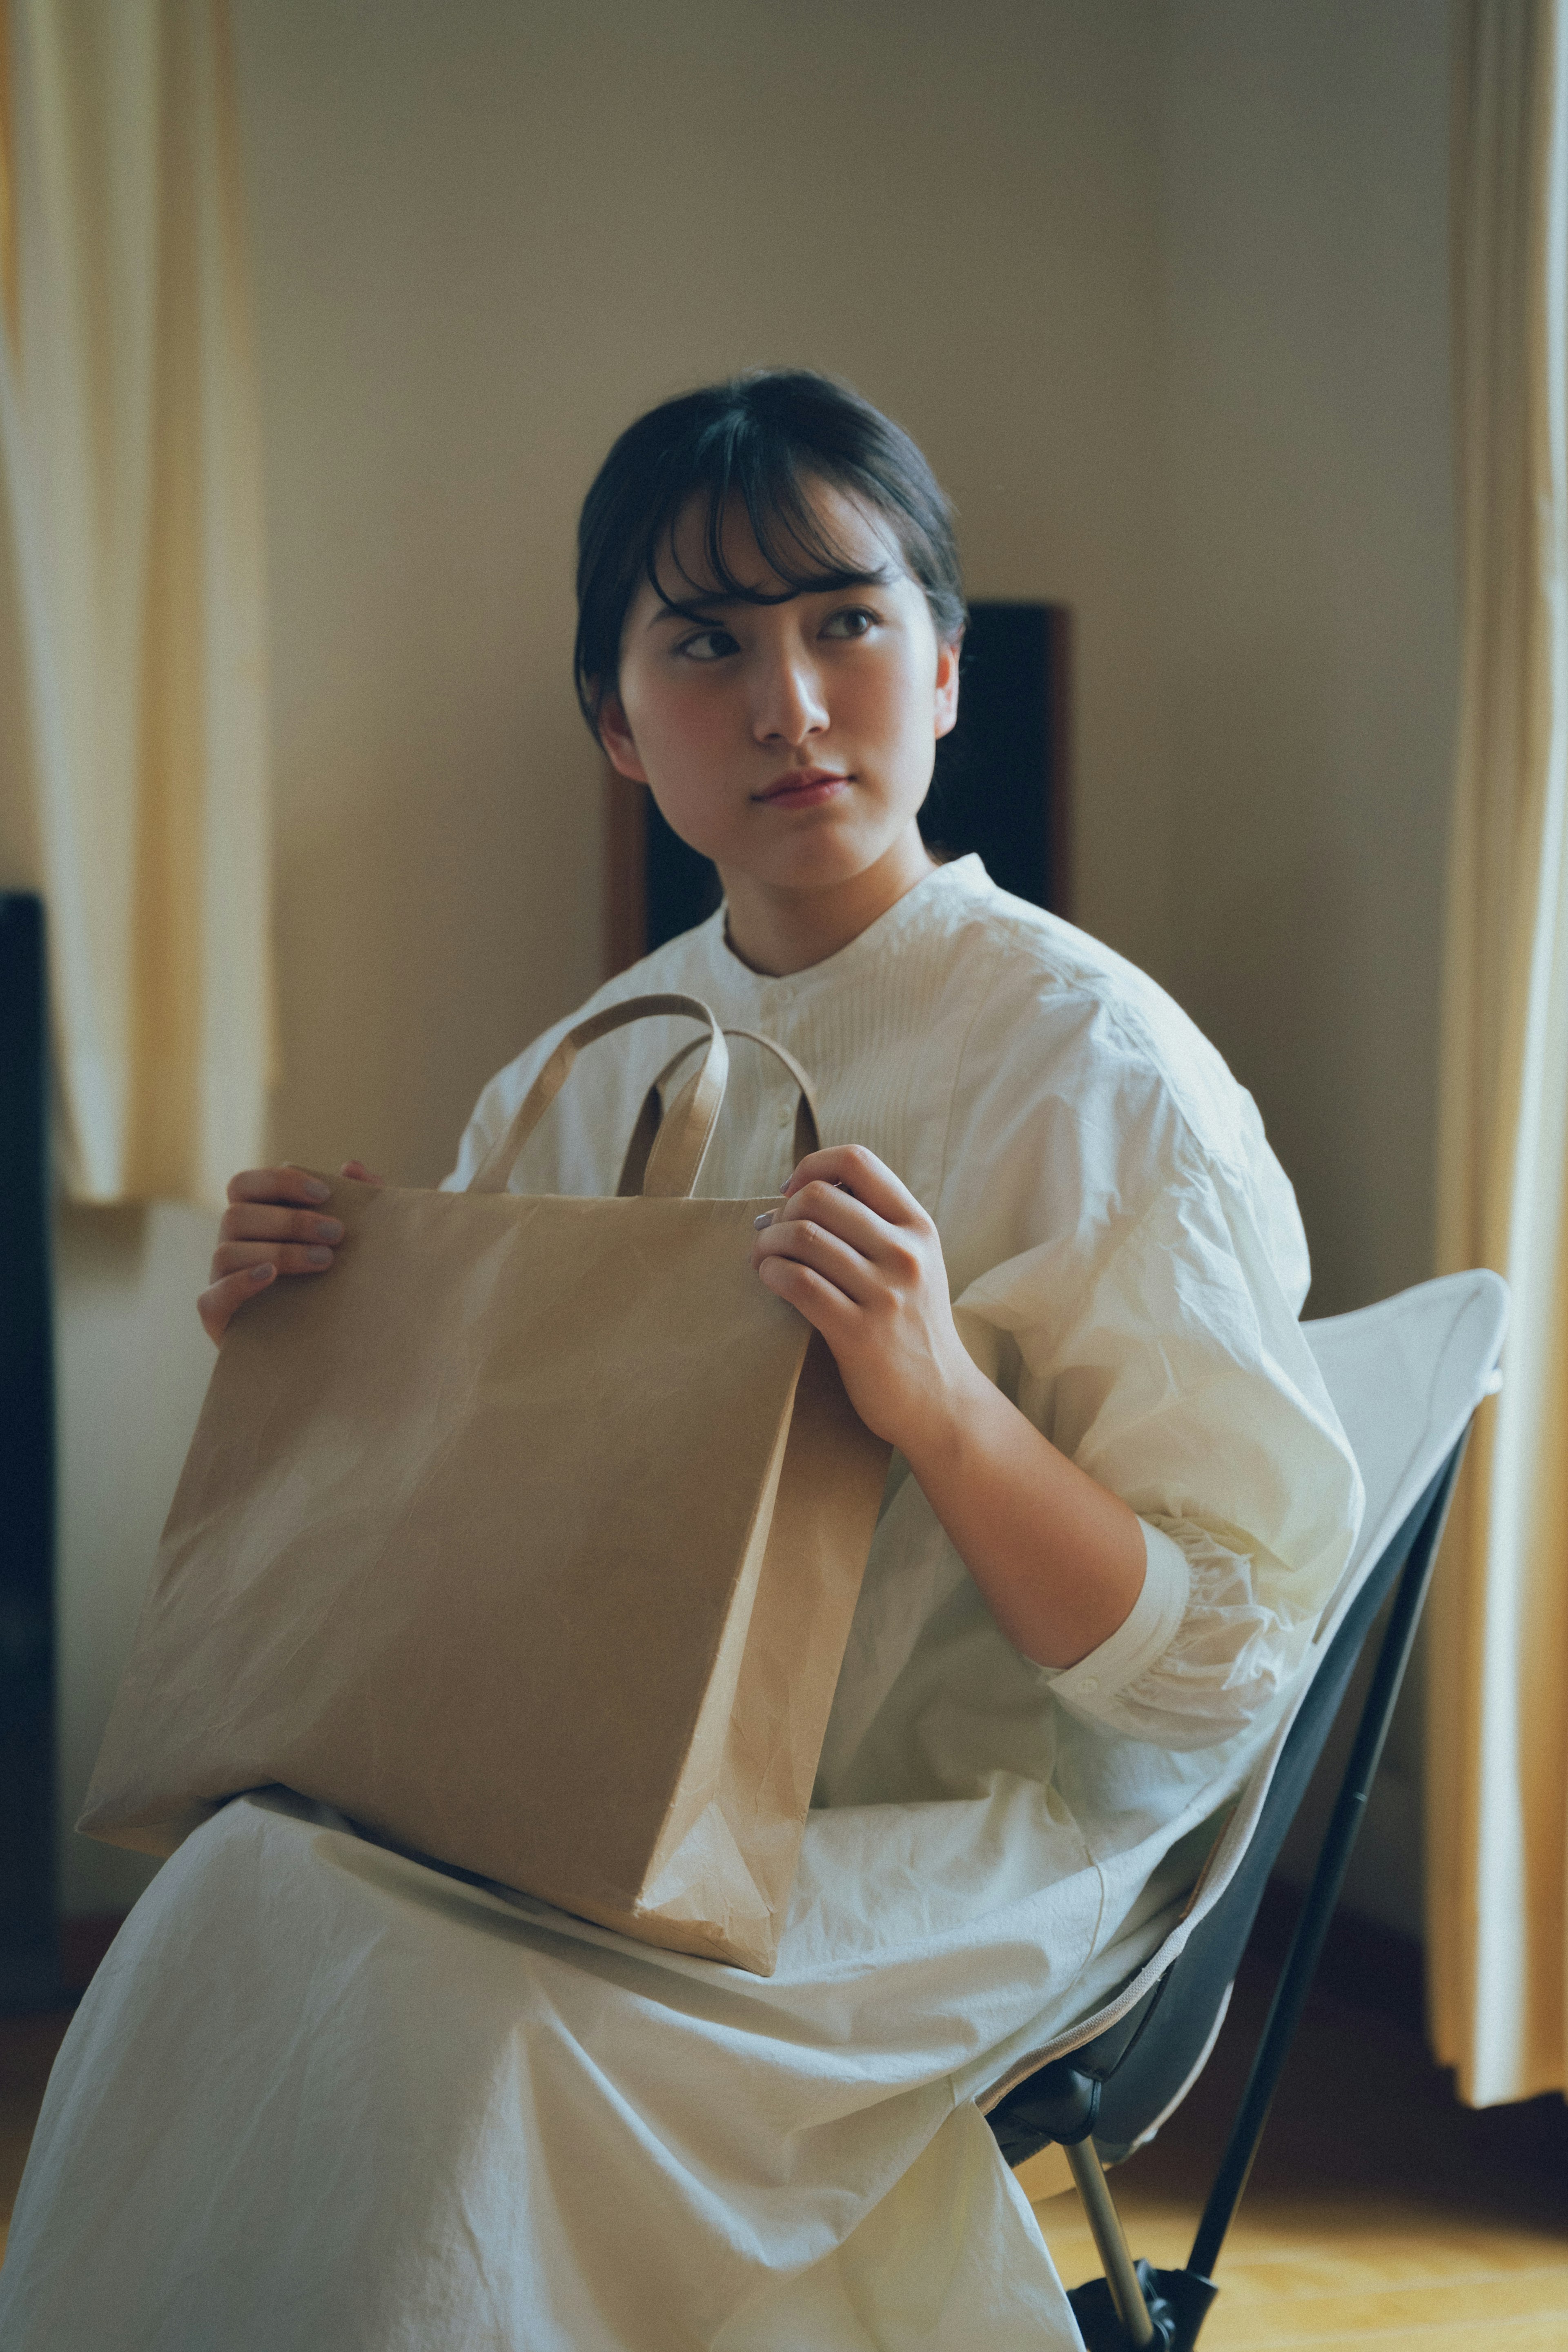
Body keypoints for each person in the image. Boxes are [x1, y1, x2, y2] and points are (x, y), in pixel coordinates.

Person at [0, 371, 1362, 2350]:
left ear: (950, 671)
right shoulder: (599, 1061)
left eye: (847, 624)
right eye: (707, 645)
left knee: (455, 2022)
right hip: (598, 1807)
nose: (789, 703)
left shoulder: (1099, 1070)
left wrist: (943, 1405)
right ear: (622, 730)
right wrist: (317, 1360)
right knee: (232, 1904)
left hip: (953, 1829)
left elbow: (1223, 1668)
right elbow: (473, 1573)